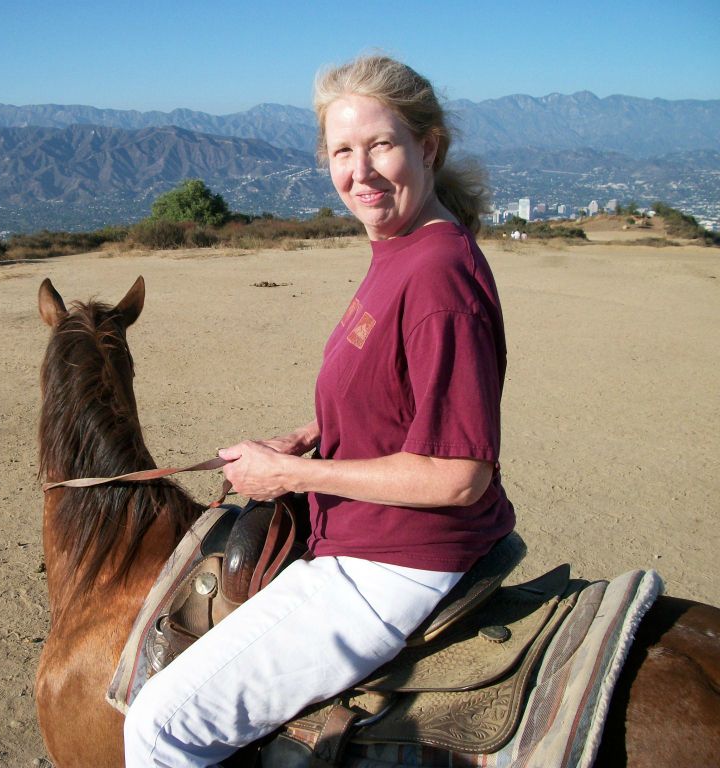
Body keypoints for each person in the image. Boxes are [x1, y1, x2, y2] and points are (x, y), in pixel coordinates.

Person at [124, 52, 515, 767]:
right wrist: (311, 436)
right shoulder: (399, 246)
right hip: (368, 536)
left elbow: (460, 475)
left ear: (427, 148)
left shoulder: (436, 275)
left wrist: (291, 478)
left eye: (381, 146)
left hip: (395, 561)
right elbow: (394, 392)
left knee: (159, 728)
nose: (359, 173)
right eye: (342, 151)